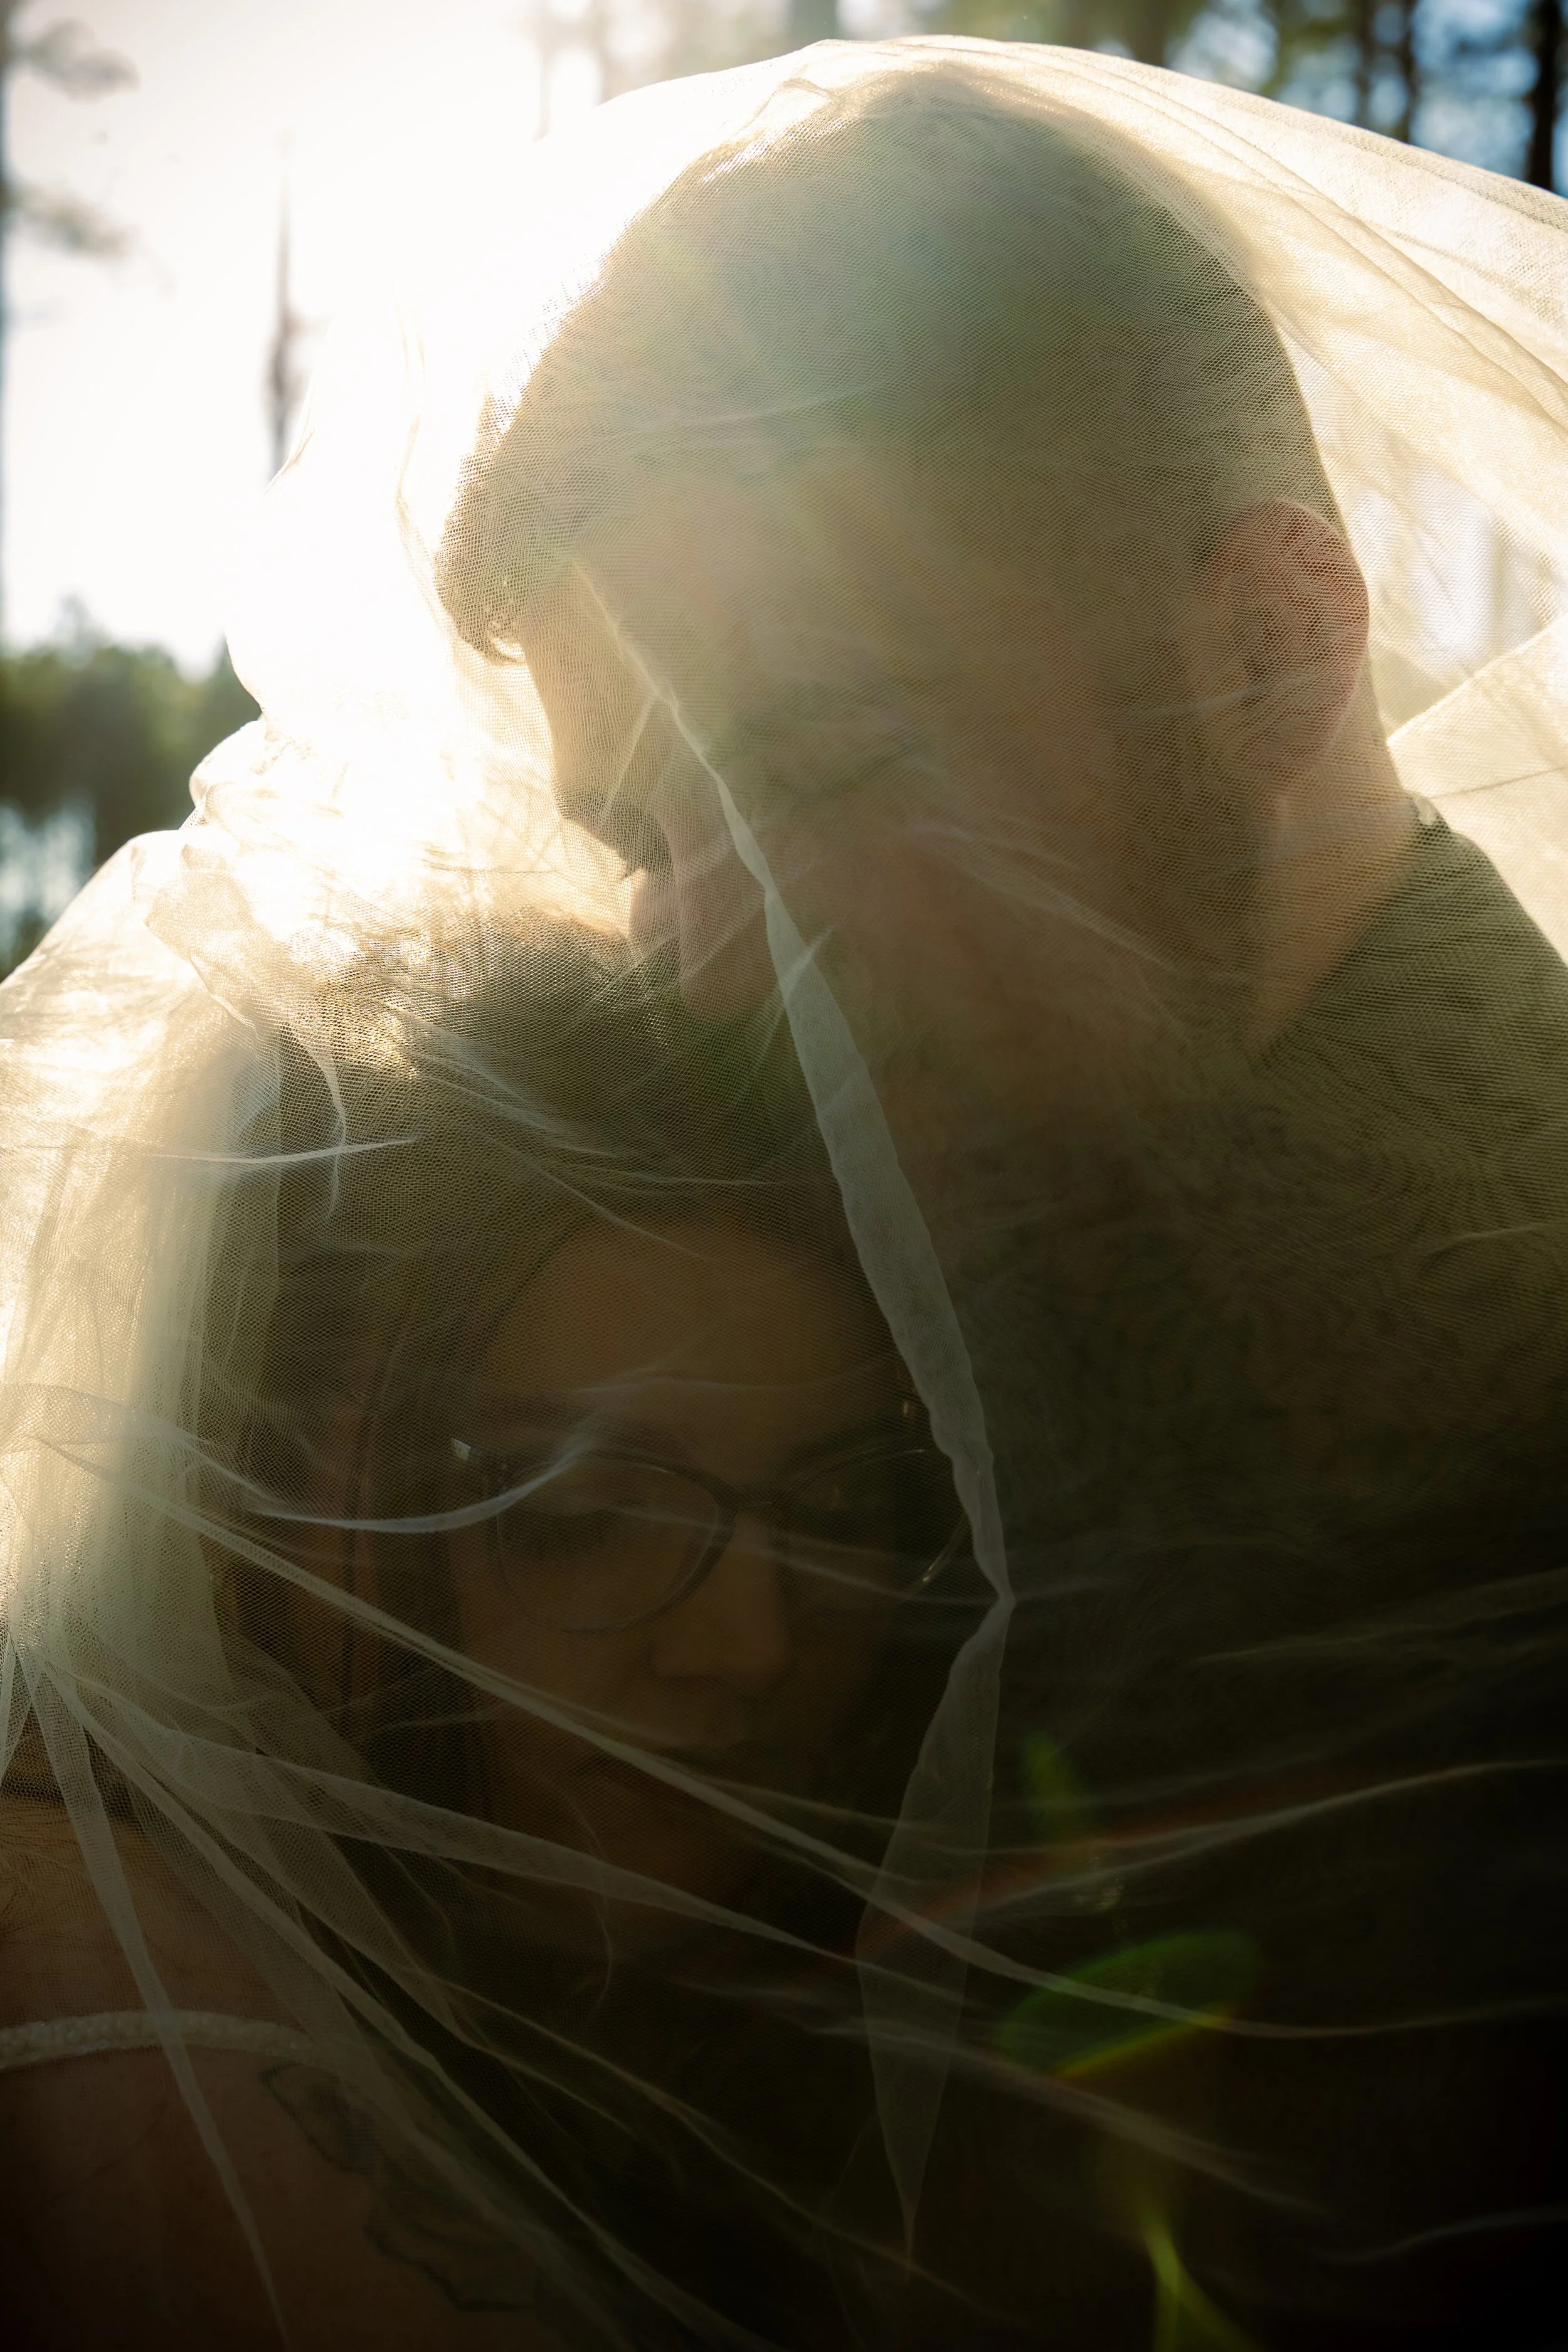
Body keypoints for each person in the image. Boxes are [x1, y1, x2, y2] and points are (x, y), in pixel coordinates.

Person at [438, 52, 1568, 2349]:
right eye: (651, 844)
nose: (717, 968)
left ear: (1271, 642)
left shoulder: (1467, 1380)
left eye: (828, 762)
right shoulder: (955, 1277)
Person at [0, 919, 973, 2348]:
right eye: (572, 1512)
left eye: (837, 1504)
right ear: (232, 1493)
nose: (751, 1644)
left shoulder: (888, 2003)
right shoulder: (90, 1984)